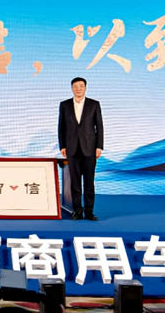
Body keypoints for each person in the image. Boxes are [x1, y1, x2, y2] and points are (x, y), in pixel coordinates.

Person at [58, 77, 103, 221]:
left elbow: (99, 127)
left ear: (85, 88)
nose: (78, 89)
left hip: (90, 148)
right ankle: (77, 211)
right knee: (75, 182)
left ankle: (89, 212)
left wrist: (99, 146)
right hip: (72, 148)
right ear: (72, 88)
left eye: (81, 86)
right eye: (75, 86)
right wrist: (62, 146)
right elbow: (61, 127)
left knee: (89, 182)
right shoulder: (64, 105)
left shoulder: (94, 104)